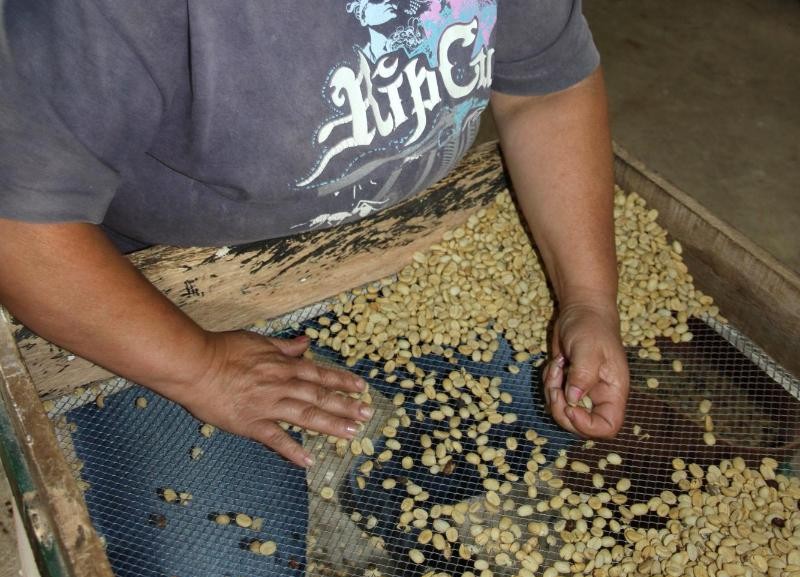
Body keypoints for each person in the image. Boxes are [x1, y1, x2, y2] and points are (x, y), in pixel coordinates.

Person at [0, 0, 629, 467]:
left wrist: (588, 300)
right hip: (164, 288)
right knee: (234, 572)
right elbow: (21, 232)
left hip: (392, 246)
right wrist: (201, 370)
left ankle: (382, 505)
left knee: (518, 424)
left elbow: (545, 91)